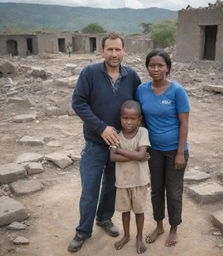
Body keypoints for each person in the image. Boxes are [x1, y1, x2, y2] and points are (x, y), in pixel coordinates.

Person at [68, 32, 141, 253]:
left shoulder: (132, 76)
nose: (114, 54)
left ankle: (104, 218)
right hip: (94, 144)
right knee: (89, 190)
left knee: (111, 186)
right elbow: (78, 103)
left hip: (119, 146)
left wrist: (136, 138)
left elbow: (138, 106)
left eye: (118, 49)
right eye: (110, 49)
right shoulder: (89, 73)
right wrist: (101, 128)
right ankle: (83, 231)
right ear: (102, 51)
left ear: (124, 51)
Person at [136, 49, 190, 247]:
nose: (156, 69)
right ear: (147, 67)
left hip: (176, 151)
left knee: (174, 192)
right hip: (154, 151)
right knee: (156, 190)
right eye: (152, 65)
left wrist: (179, 153)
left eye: (160, 65)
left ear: (167, 67)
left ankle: (174, 228)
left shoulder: (177, 91)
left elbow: (184, 124)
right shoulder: (141, 89)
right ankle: (159, 225)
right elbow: (140, 119)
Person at [110, 100, 150, 254]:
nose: (128, 122)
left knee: (139, 211)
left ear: (139, 119)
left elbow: (141, 154)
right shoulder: (116, 135)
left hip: (139, 181)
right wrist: (137, 156)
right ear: (120, 118)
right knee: (125, 211)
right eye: (125, 118)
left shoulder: (142, 132)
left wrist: (120, 151)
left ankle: (139, 237)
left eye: (133, 118)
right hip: (122, 182)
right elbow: (113, 157)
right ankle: (126, 235)